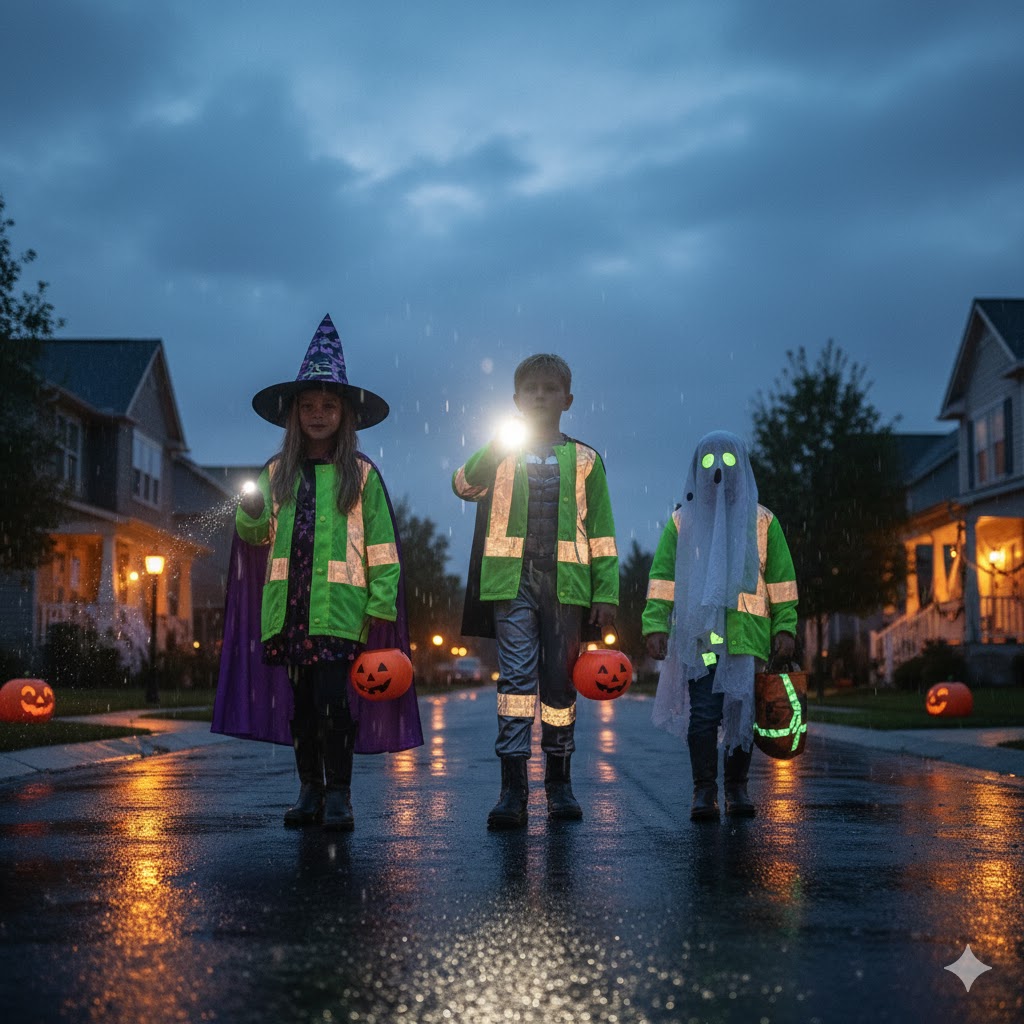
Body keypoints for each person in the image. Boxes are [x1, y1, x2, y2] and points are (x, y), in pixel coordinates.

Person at [225, 313, 423, 831]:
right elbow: (256, 537)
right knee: (302, 706)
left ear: (344, 415)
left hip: (341, 613)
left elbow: (382, 549)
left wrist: (380, 607)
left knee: (335, 703)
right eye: (308, 406)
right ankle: (308, 789)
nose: (317, 414)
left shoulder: (361, 475)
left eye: (328, 406)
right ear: (294, 415)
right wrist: (248, 511)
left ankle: (340, 795)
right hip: (290, 613)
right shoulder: (276, 472)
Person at [453, 353, 619, 828]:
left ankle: (560, 783)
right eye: (532, 390)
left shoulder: (586, 460)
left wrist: (606, 595)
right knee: (516, 683)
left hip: (567, 587)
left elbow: (603, 534)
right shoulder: (501, 453)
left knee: (560, 683)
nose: (541, 396)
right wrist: (495, 443)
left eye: (550, 388)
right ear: (516, 400)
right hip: (513, 582)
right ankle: (513, 789)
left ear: (567, 399)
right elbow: (463, 486)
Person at [642, 430, 797, 821]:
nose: (717, 473)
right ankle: (704, 791)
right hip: (700, 636)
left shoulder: (763, 523)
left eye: (728, 463)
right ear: (696, 469)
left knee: (742, 713)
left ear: (742, 468)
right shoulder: (682, 523)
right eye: (708, 463)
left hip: (747, 637)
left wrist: (785, 628)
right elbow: (663, 579)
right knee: (706, 714)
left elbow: (781, 582)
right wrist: (655, 624)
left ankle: (737, 788)